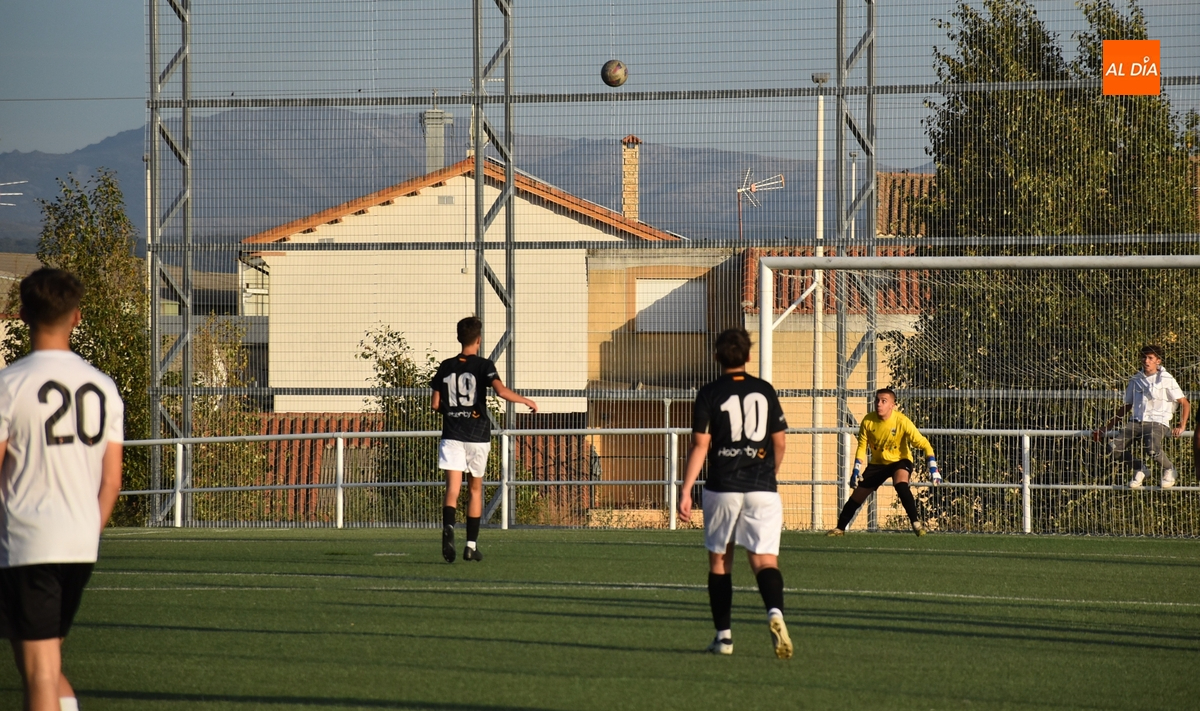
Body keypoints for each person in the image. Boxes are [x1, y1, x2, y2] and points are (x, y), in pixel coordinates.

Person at [0, 268, 124, 711]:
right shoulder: (104, 387)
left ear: (22, 315)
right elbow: (111, 481)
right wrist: (87, 530)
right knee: (42, 664)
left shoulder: (9, 385)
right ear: (76, 316)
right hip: (79, 542)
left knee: (38, 672)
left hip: (28, 541)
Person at [677, 328, 792, 659]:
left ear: (716, 356)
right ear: (749, 356)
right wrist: (768, 476)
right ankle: (774, 613)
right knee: (764, 559)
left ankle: (724, 638)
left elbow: (700, 445)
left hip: (723, 487)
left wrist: (686, 490)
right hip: (762, 487)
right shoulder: (765, 390)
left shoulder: (710, 392)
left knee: (720, 560)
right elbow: (780, 442)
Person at [431, 316, 537, 563]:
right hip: (477, 435)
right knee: (475, 489)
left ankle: (449, 527)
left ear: (459, 338)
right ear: (478, 340)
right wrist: (525, 400)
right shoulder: (483, 365)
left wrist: (453, 412)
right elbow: (501, 391)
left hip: (452, 434)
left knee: (452, 489)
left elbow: (435, 404)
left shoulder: (445, 366)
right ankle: (471, 545)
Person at [827, 387, 940, 537]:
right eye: (877, 400)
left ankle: (916, 524)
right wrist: (856, 470)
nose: (879, 404)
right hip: (878, 463)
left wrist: (934, 469)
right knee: (857, 496)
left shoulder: (902, 421)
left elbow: (925, 444)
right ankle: (840, 529)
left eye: (883, 401)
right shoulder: (868, 421)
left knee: (900, 484)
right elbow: (862, 446)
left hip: (900, 460)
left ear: (892, 405)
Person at [1092, 345, 1190, 489]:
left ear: (1158, 361)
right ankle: (1140, 468)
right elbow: (1127, 406)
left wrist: (1182, 425)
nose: (1146, 361)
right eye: (1144, 357)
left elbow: (1185, 403)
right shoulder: (1135, 379)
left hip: (1157, 422)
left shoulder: (1167, 379)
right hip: (1135, 423)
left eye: (1150, 358)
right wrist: (1107, 427)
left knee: (1151, 448)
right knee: (1113, 448)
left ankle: (1169, 469)